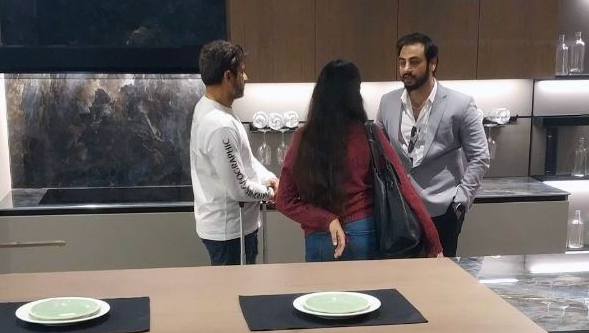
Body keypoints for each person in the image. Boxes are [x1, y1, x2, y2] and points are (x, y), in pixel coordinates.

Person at [277, 59, 442, 261]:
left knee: (322, 284)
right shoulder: (369, 134)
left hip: (320, 238)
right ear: (354, 94)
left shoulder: (303, 138)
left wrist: (325, 219)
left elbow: (284, 200)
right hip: (364, 233)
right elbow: (404, 187)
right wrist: (434, 242)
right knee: (368, 284)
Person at [377, 32, 490, 257]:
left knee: (440, 276)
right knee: (399, 274)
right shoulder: (387, 102)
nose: (406, 69)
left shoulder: (460, 104)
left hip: (442, 209)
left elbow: (480, 156)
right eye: (402, 62)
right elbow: (378, 151)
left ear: (432, 64)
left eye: (414, 62)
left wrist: (461, 200)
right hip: (400, 211)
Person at [189, 39, 278, 265]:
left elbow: (244, 160)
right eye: (242, 71)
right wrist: (270, 193)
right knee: (235, 288)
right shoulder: (219, 125)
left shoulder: (213, 108)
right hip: (230, 233)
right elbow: (239, 189)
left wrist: (268, 177)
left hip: (231, 227)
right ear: (228, 76)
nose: (245, 77)